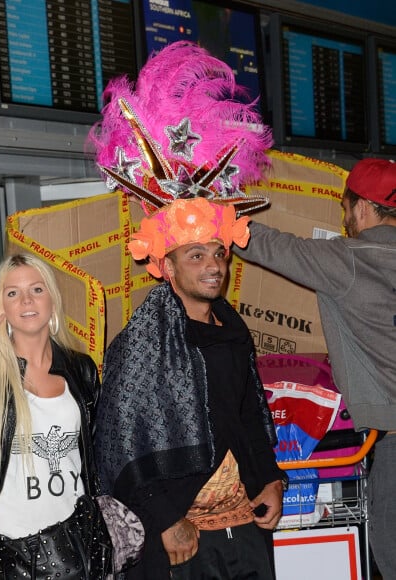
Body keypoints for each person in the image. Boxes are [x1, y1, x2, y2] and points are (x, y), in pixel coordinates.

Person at [88, 41, 287, 579]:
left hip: (243, 527)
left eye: (218, 253)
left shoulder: (233, 329)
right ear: (167, 266)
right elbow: (115, 437)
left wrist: (269, 478)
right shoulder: (142, 342)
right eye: (195, 255)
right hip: (182, 536)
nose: (213, 265)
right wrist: (163, 517)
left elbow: (248, 415)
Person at [233, 157, 396, 578]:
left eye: (346, 209)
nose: (345, 219)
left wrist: (201, 211)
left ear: (362, 207)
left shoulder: (351, 259)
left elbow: (266, 244)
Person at [0, 253, 109, 579]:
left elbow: (96, 452)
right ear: (2, 307)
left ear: (52, 301)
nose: (26, 300)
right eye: (12, 292)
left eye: (37, 289)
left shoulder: (80, 368)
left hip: (71, 537)